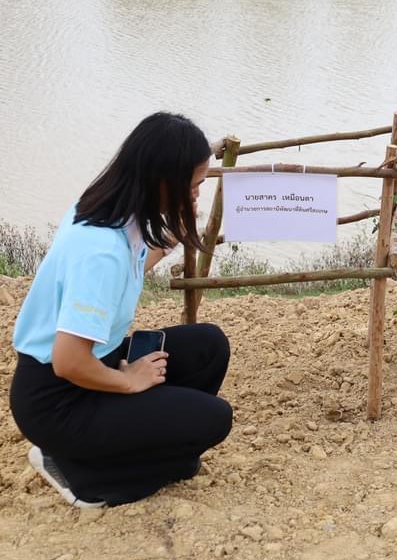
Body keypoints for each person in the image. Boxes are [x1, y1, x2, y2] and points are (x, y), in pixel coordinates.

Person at [9, 112, 233, 507]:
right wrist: (130, 382)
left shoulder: (112, 213)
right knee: (214, 419)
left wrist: (176, 232)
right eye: (195, 185)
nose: (198, 194)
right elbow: (67, 362)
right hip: (58, 401)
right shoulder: (100, 252)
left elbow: (134, 264)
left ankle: (135, 451)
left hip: (93, 367)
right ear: (163, 181)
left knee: (208, 346)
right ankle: (88, 478)